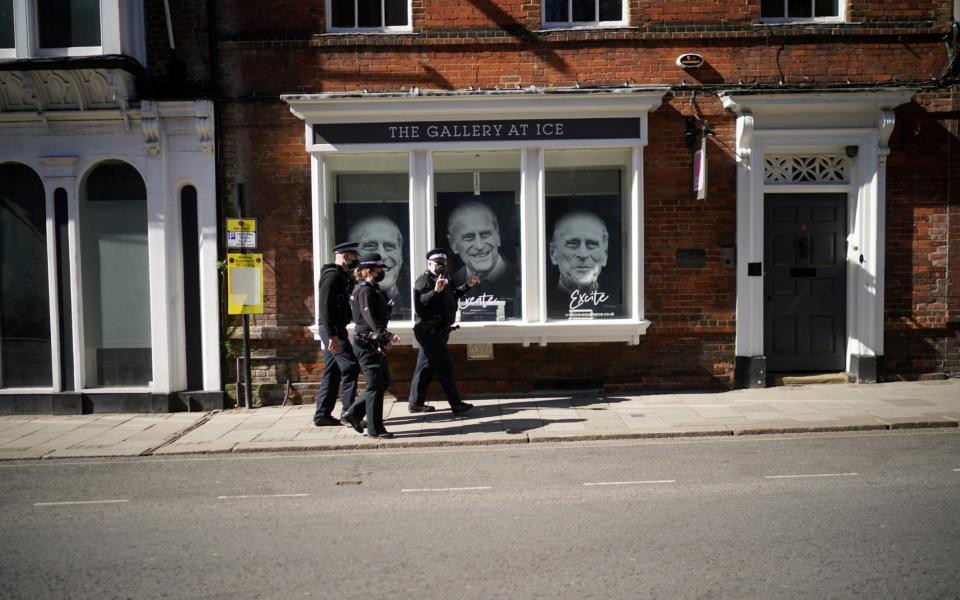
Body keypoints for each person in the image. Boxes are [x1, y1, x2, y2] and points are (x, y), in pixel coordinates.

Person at [407, 248, 479, 414]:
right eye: (438, 263)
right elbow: (421, 303)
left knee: (425, 367)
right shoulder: (424, 281)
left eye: (443, 263)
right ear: (430, 263)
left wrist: (468, 286)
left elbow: (452, 295)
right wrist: (435, 291)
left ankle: (415, 402)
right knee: (444, 367)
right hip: (429, 332)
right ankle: (456, 404)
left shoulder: (445, 279)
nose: (441, 266)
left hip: (439, 331)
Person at [341, 253, 400, 439]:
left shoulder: (374, 289)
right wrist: (385, 336)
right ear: (368, 271)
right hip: (366, 342)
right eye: (379, 269)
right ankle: (375, 429)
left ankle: (353, 413)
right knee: (375, 385)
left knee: (382, 383)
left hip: (373, 342)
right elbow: (370, 318)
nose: (382, 271)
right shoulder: (364, 290)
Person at [313, 241, 361, 427]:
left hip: (334, 328)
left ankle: (322, 415)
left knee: (332, 371)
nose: (356, 261)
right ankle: (349, 413)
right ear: (345, 256)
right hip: (331, 329)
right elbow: (324, 308)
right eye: (354, 257)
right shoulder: (331, 276)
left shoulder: (341, 276)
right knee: (350, 367)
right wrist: (332, 335)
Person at [547, 210, 617, 318]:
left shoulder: (616, 304)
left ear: (605, 254)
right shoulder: (543, 303)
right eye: (572, 244)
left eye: (592, 244)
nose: (583, 254)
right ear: (553, 253)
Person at [446, 201, 516, 300]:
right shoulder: (451, 283)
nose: (479, 246)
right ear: (453, 244)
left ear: (498, 236)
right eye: (468, 237)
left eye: (485, 234)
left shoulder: (519, 275)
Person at [347, 215, 407, 316]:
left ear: (400, 255)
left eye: (389, 246)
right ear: (354, 255)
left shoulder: (409, 297)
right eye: (370, 246)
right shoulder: (357, 293)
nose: (382, 255)